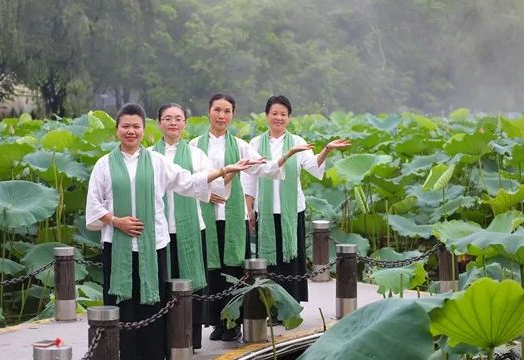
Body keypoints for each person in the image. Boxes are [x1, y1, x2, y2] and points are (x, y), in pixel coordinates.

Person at [85, 103, 254, 360]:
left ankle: (153, 352)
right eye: (125, 126)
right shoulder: (104, 164)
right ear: (117, 129)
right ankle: (124, 351)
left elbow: (187, 181)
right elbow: (94, 204)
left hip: (155, 244)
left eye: (136, 127)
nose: (131, 131)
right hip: (116, 242)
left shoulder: (157, 161)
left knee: (153, 301)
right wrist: (116, 221)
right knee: (123, 300)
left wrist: (223, 171)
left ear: (144, 129)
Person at [189, 93, 310, 341]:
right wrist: (205, 191)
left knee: (233, 271)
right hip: (205, 216)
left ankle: (232, 323)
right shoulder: (193, 146)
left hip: (234, 217)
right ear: (208, 112)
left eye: (227, 111)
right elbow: (187, 179)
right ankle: (215, 323)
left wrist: (287, 155)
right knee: (210, 270)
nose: (222, 116)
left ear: (232, 115)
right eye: (217, 110)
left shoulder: (243, 146)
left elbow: (264, 168)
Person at [242, 95, 351, 303]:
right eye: (274, 113)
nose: (279, 118)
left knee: (291, 258)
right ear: (266, 116)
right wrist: (249, 207)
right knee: (270, 260)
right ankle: (272, 305)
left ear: (289, 118)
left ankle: (291, 304)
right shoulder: (255, 143)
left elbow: (313, 166)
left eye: (283, 114)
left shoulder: (297, 142)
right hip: (266, 209)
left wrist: (326, 150)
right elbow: (249, 177)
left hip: (293, 211)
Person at [148, 103, 212, 351]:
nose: (173, 123)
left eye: (178, 118)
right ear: (159, 123)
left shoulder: (197, 155)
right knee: (162, 283)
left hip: (191, 227)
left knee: (190, 283)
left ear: (185, 123)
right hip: (159, 231)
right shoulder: (149, 155)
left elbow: (207, 188)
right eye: (167, 118)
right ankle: (162, 338)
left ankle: (189, 339)